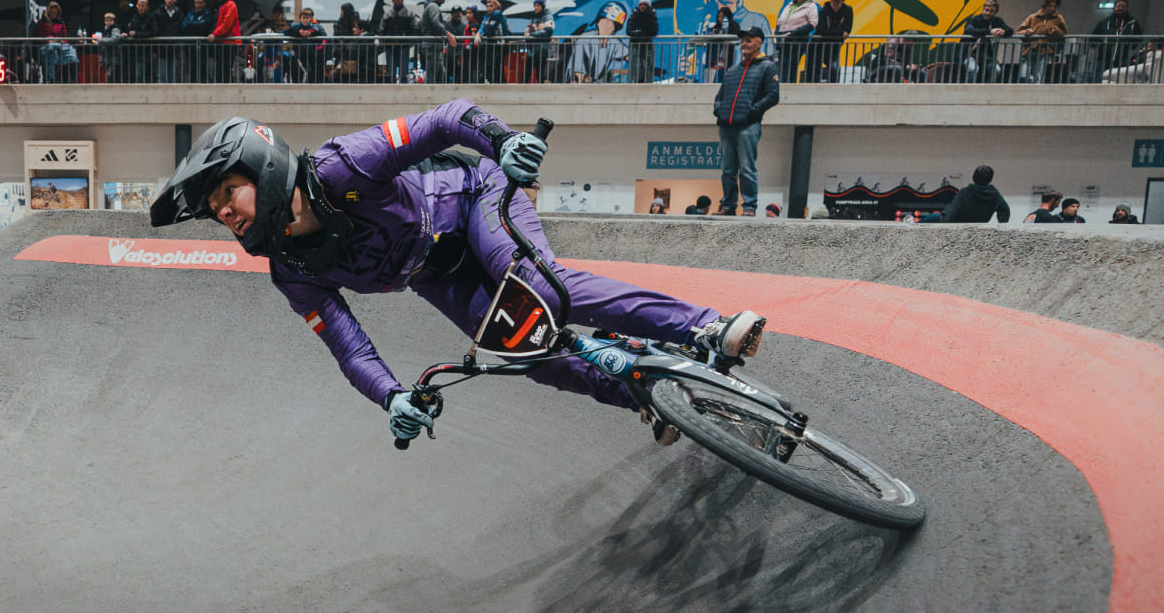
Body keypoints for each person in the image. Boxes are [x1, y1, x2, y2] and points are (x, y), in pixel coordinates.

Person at [149, 111, 768, 450]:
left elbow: (443, 122)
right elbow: (348, 346)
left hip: (474, 200)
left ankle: (707, 329)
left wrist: (502, 141)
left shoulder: (340, 165)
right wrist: (391, 395)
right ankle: (642, 393)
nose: (225, 212)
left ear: (261, 167)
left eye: (229, 191)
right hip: (436, 274)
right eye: (216, 208)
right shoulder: (291, 269)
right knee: (521, 354)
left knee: (539, 289)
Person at [712, 26, 778, 216]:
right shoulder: (733, 70)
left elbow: (773, 96)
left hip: (748, 126)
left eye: (749, 40)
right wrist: (719, 111)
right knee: (727, 169)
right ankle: (728, 205)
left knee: (747, 168)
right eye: (743, 40)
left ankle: (749, 206)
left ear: (759, 42)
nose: (744, 44)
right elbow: (720, 95)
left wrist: (752, 111)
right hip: (726, 126)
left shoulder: (767, 67)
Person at [959, 0, 1014, 84]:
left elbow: (1010, 30)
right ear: (983, 9)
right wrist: (989, 32)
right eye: (986, 10)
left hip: (988, 57)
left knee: (997, 70)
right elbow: (969, 30)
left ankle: (988, 91)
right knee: (972, 69)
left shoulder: (997, 21)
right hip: (970, 55)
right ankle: (970, 90)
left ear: (995, 12)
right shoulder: (974, 19)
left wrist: (1003, 32)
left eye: (991, 11)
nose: (988, 13)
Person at [775, 0, 819, 82]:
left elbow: (813, 23)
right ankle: (782, 85)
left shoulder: (811, 6)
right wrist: (777, 34)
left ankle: (790, 85)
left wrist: (793, 33)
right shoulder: (789, 5)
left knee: (792, 65)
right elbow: (780, 20)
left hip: (797, 40)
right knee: (783, 64)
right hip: (783, 39)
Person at [371, 0, 417, 84]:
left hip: (404, 47)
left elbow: (415, 29)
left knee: (404, 73)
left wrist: (409, 42)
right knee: (390, 73)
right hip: (390, 47)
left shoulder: (409, 14)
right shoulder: (387, 14)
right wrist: (384, 42)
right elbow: (381, 30)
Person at [573, 7, 630, 83]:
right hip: (581, 82)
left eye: (612, 25)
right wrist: (581, 79)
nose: (608, 27)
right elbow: (578, 69)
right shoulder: (585, 39)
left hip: (596, 83)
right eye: (606, 22)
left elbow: (627, 54)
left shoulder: (612, 41)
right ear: (598, 22)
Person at [1019, 0, 1068, 83]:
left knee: (1039, 75)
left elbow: (1064, 31)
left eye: (1055, 6)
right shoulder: (1033, 17)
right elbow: (1019, 31)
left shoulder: (1058, 18)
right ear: (1045, 5)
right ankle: (1029, 84)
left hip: (1044, 50)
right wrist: (1027, 31)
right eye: (1050, 6)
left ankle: (1036, 91)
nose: (1052, 8)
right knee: (1024, 74)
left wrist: (1055, 31)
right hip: (1029, 49)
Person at [939, 164, 1011, 224]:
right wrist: (1001, 226)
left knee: (931, 217)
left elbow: (951, 214)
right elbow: (1005, 210)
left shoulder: (964, 192)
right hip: (980, 226)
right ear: (990, 179)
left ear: (974, 177)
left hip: (960, 226)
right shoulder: (994, 194)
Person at [1092, 0, 1143, 78]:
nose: (1120, 8)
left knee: (1119, 79)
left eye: (1123, 6)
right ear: (1114, 8)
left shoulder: (1133, 23)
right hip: (1104, 58)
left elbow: (1139, 37)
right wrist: (1099, 48)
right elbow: (1094, 37)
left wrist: (1132, 47)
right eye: (1118, 6)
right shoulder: (1105, 22)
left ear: (1126, 8)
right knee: (1100, 79)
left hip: (1123, 59)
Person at [34, 0, 78, 83]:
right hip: (47, 45)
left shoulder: (61, 22)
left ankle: (70, 78)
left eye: (55, 13)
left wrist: (60, 40)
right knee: (51, 50)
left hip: (60, 44)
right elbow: (39, 36)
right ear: (48, 12)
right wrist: (50, 40)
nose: (54, 14)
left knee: (72, 51)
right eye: (52, 12)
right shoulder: (42, 21)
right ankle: (51, 78)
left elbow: (64, 37)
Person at [812, 0, 853, 82]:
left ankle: (833, 88)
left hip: (835, 45)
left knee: (834, 68)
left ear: (843, 1)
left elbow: (848, 29)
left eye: (838, 0)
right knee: (815, 68)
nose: (835, 2)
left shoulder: (848, 11)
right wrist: (840, 32)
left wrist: (832, 33)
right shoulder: (823, 11)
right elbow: (821, 30)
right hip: (819, 45)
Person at [209, 0, 242, 81]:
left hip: (228, 43)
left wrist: (214, 35)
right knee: (221, 69)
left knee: (224, 69)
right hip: (222, 42)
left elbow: (227, 24)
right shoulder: (219, 6)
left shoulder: (230, 5)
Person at [475, 0, 509, 83]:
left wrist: (480, 35)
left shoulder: (497, 14)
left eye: (491, 6)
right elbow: (482, 28)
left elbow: (490, 30)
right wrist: (477, 35)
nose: (488, 8)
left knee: (496, 68)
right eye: (487, 6)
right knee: (490, 68)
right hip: (490, 46)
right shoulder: (486, 16)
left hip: (499, 45)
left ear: (496, 7)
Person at [626, 0, 659, 84]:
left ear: (648, 6)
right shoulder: (634, 16)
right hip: (635, 45)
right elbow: (629, 31)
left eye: (644, 4)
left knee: (647, 64)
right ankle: (635, 81)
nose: (642, 6)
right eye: (640, 4)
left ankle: (647, 81)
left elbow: (653, 31)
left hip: (647, 45)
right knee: (635, 64)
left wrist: (641, 33)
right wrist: (641, 33)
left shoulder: (652, 17)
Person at [523, 0, 556, 83]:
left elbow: (548, 31)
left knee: (539, 74)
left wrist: (531, 35)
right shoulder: (534, 17)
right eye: (534, 5)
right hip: (533, 50)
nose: (535, 8)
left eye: (538, 5)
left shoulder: (548, 17)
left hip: (542, 50)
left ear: (543, 6)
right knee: (527, 73)